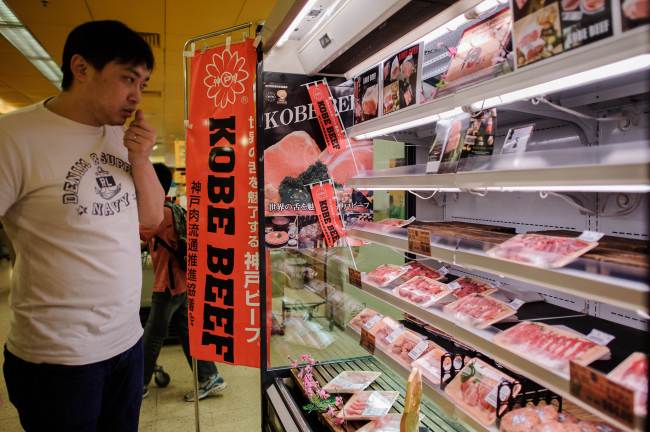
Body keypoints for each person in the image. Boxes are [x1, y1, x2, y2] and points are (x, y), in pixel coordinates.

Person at [0, 21, 164, 431]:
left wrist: (141, 160)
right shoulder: (15, 136)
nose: (136, 95)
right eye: (128, 78)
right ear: (81, 67)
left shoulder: (119, 137)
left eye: (142, 83)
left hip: (127, 343)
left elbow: (150, 219)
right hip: (57, 360)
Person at [140, 163, 226, 401]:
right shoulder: (174, 209)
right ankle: (210, 377)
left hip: (167, 285)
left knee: (153, 336)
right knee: (187, 333)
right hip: (182, 283)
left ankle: (138, 384)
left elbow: (137, 234)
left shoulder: (158, 213)